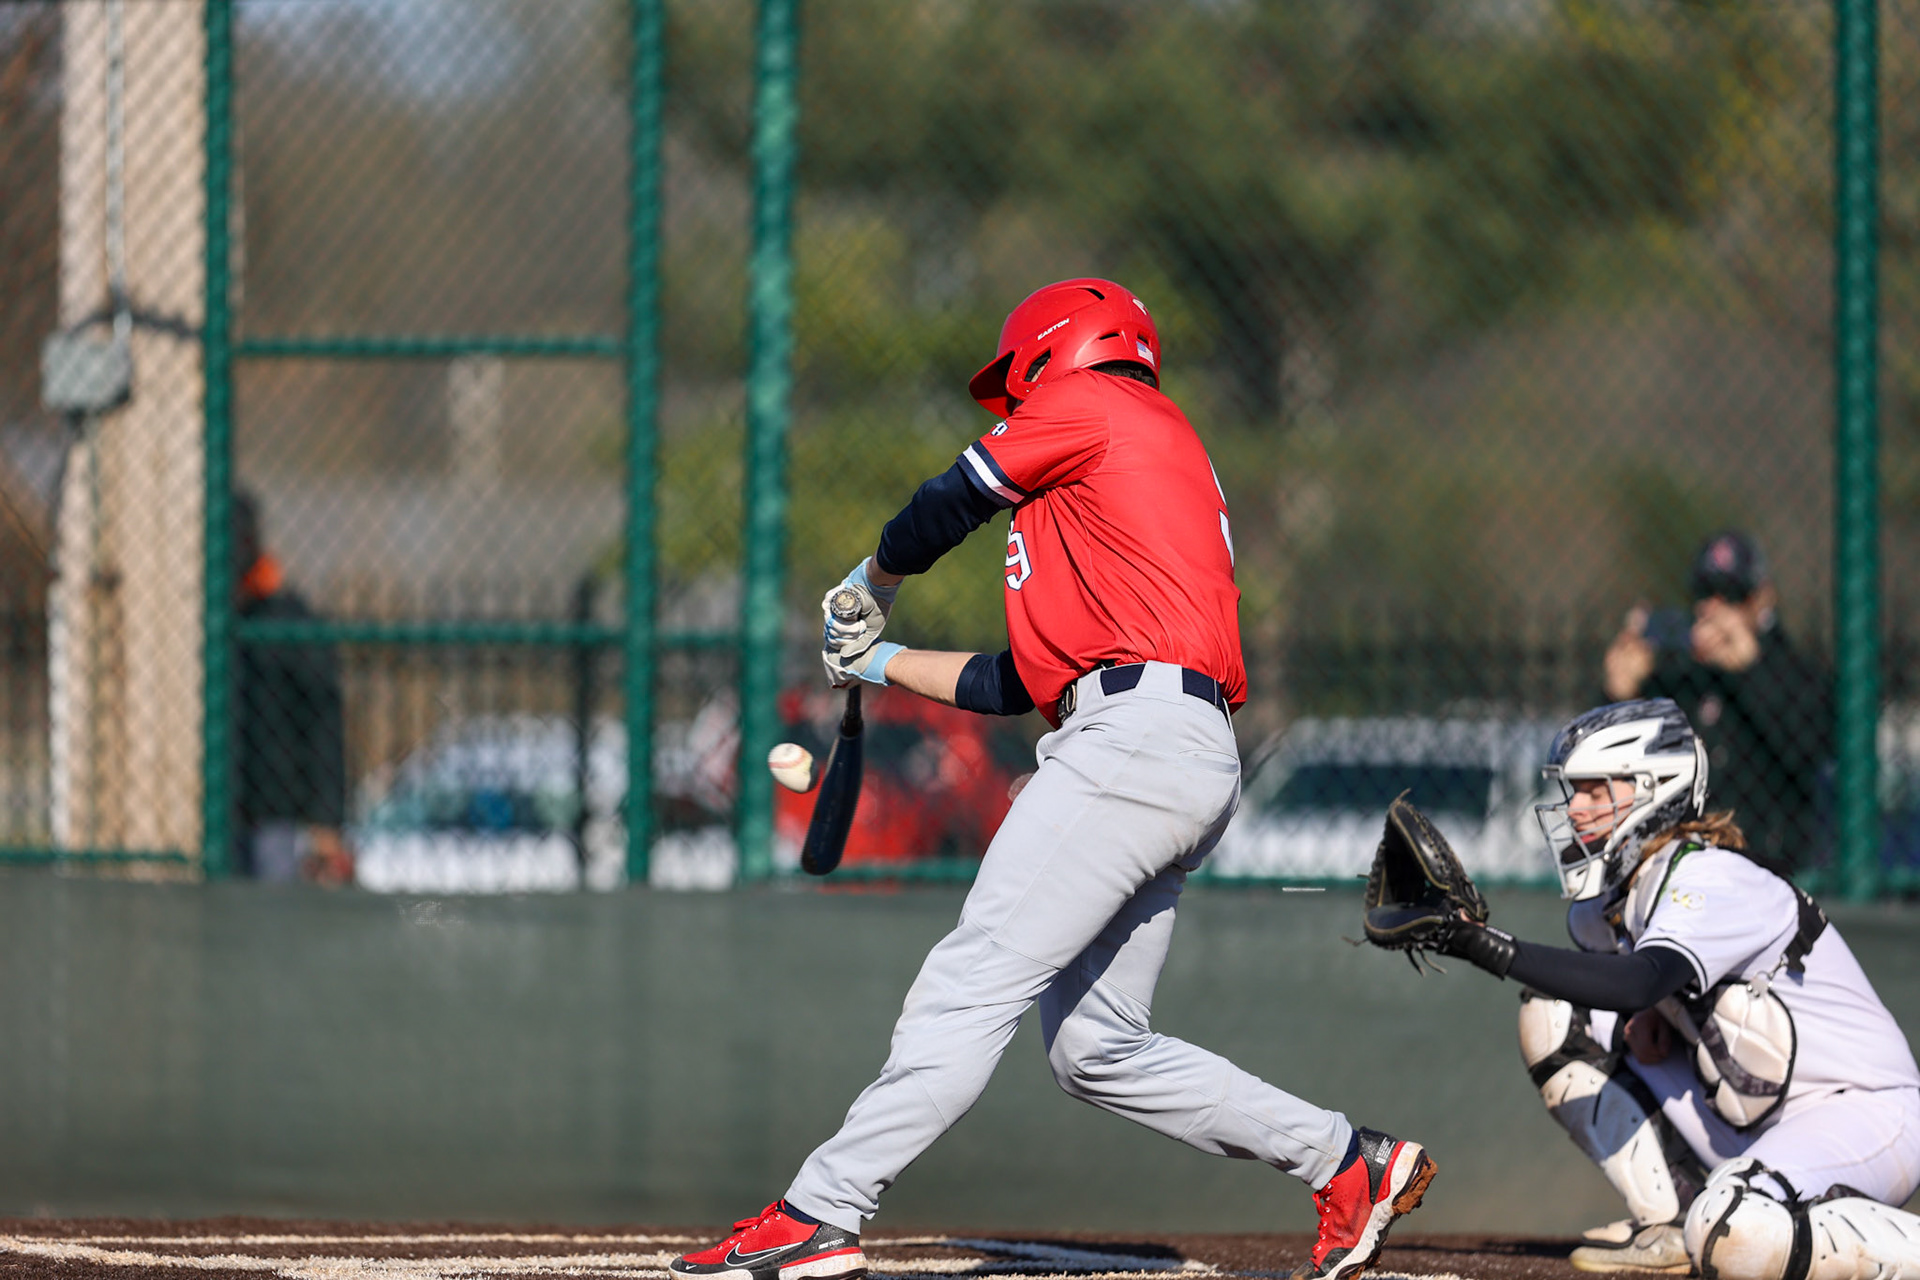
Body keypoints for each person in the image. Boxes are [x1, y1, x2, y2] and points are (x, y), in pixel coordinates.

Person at [669, 280, 1435, 1280]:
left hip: (1131, 740)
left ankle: (822, 1207)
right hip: (1168, 740)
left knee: (968, 983)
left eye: (1014, 381)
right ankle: (1345, 1160)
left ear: (1057, 351)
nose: (1009, 404)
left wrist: (873, 579)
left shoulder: (1097, 404)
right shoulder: (1121, 476)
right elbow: (1016, 681)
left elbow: (945, 503)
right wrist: (878, 661)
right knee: (1097, 1048)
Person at [1402, 698, 1920, 1278]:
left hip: (1864, 1114)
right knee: (1557, 1017)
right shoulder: (1614, 901)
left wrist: (1482, 944)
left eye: (1597, 790)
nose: (1576, 810)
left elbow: (1639, 980)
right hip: (1753, 1116)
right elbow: (1623, 992)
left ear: (1658, 788)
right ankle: (1671, 1221)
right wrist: (1654, 1014)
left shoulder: (1710, 874)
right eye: (1574, 791)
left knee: (1732, 1231)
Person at [1603, 530, 1830, 872]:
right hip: (1678, 866)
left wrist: (1752, 671)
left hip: (1767, 869)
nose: (1713, 607)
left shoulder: (1796, 671)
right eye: (1705, 593)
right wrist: (1620, 696)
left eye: (1731, 595)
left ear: (1761, 598)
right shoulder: (1680, 673)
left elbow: (1812, 751)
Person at [233, 491, 351, 885]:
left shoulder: (288, 619)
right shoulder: (205, 617)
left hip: (277, 815)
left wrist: (326, 819)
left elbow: (324, 721)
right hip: (219, 811)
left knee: (273, 919)